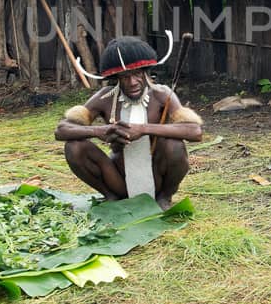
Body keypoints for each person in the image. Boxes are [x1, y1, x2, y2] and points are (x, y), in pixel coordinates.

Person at [54, 36, 203, 208]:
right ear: (116, 77)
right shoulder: (106, 97)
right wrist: (99, 131)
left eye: (137, 74)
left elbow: (195, 132)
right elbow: (62, 130)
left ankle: (164, 197)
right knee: (74, 147)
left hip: (157, 178)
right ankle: (111, 196)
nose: (132, 82)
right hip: (118, 180)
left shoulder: (161, 94)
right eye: (124, 77)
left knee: (174, 145)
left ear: (145, 71)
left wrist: (144, 129)